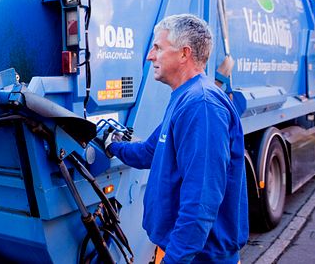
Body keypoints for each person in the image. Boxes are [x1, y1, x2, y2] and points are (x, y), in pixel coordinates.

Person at [103, 14, 248, 264]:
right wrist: (111, 144)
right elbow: (150, 152)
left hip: (199, 258)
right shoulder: (185, 98)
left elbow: (201, 199)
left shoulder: (202, 105)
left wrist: (175, 259)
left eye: (158, 48)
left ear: (184, 53)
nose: (150, 56)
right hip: (183, 251)